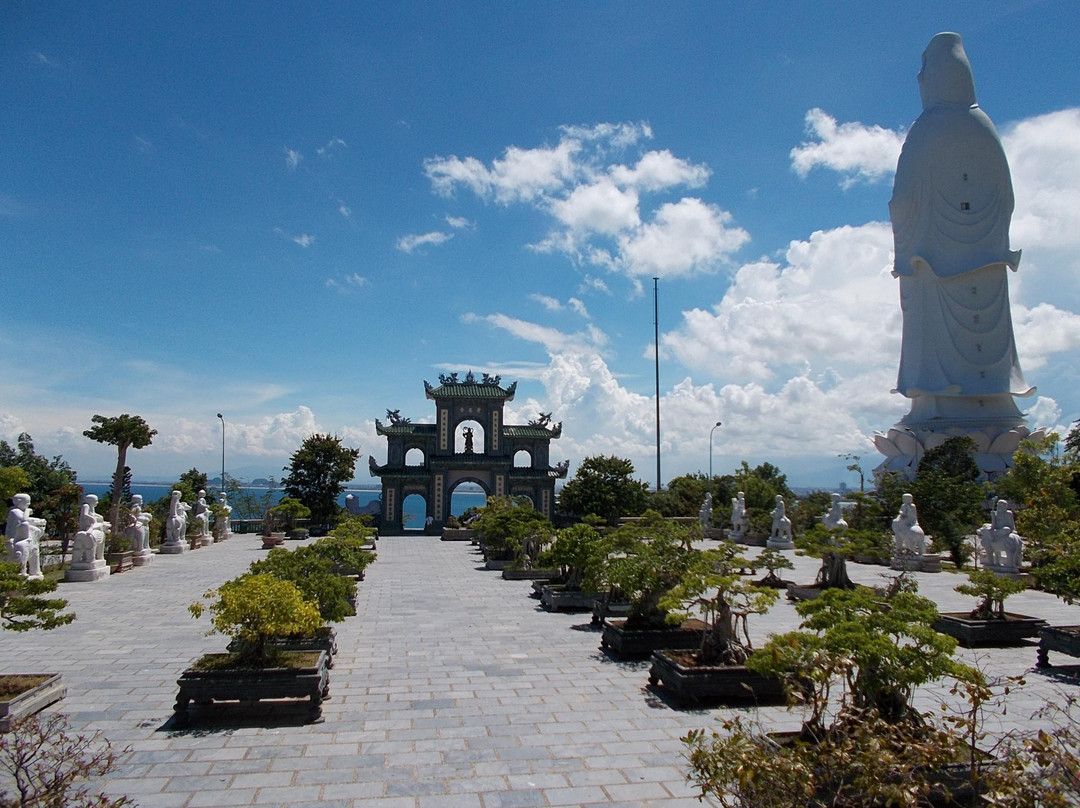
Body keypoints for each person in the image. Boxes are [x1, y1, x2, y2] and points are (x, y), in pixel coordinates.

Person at [889, 32, 1032, 425]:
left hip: (933, 261)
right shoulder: (982, 126)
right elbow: (1006, 198)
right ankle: (993, 415)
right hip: (982, 256)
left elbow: (902, 202)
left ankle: (938, 412)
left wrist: (907, 246)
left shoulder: (926, 130)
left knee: (935, 334)